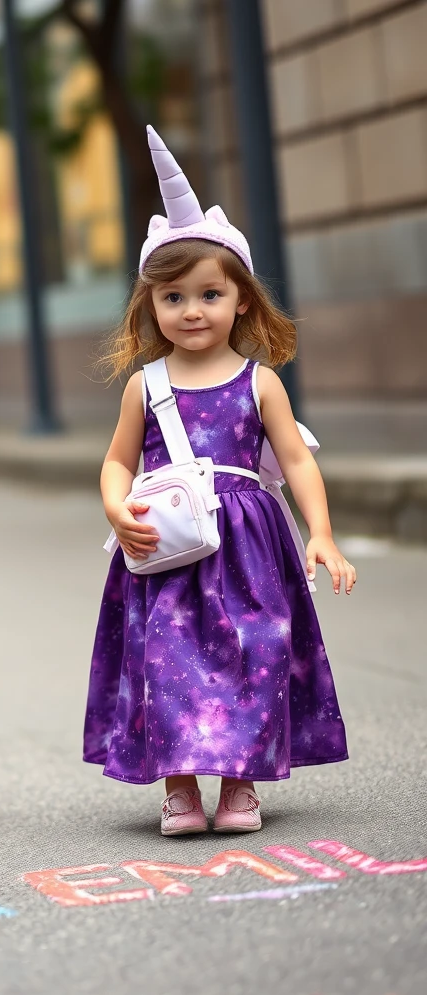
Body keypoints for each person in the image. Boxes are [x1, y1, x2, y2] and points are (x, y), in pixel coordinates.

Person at [84, 128, 355, 837]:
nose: (193, 309)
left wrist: (321, 533)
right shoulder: (144, 388)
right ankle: (178, 788)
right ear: (151, 308)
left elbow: (295, 460)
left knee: (254, 651)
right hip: (168, 546)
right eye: (174, 297)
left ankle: (241, 784)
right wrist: (117, 508)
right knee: (168, 662)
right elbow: (117, 461)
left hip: (248, 545)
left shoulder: (259, 382)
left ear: (242, 301)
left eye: (210, 293)